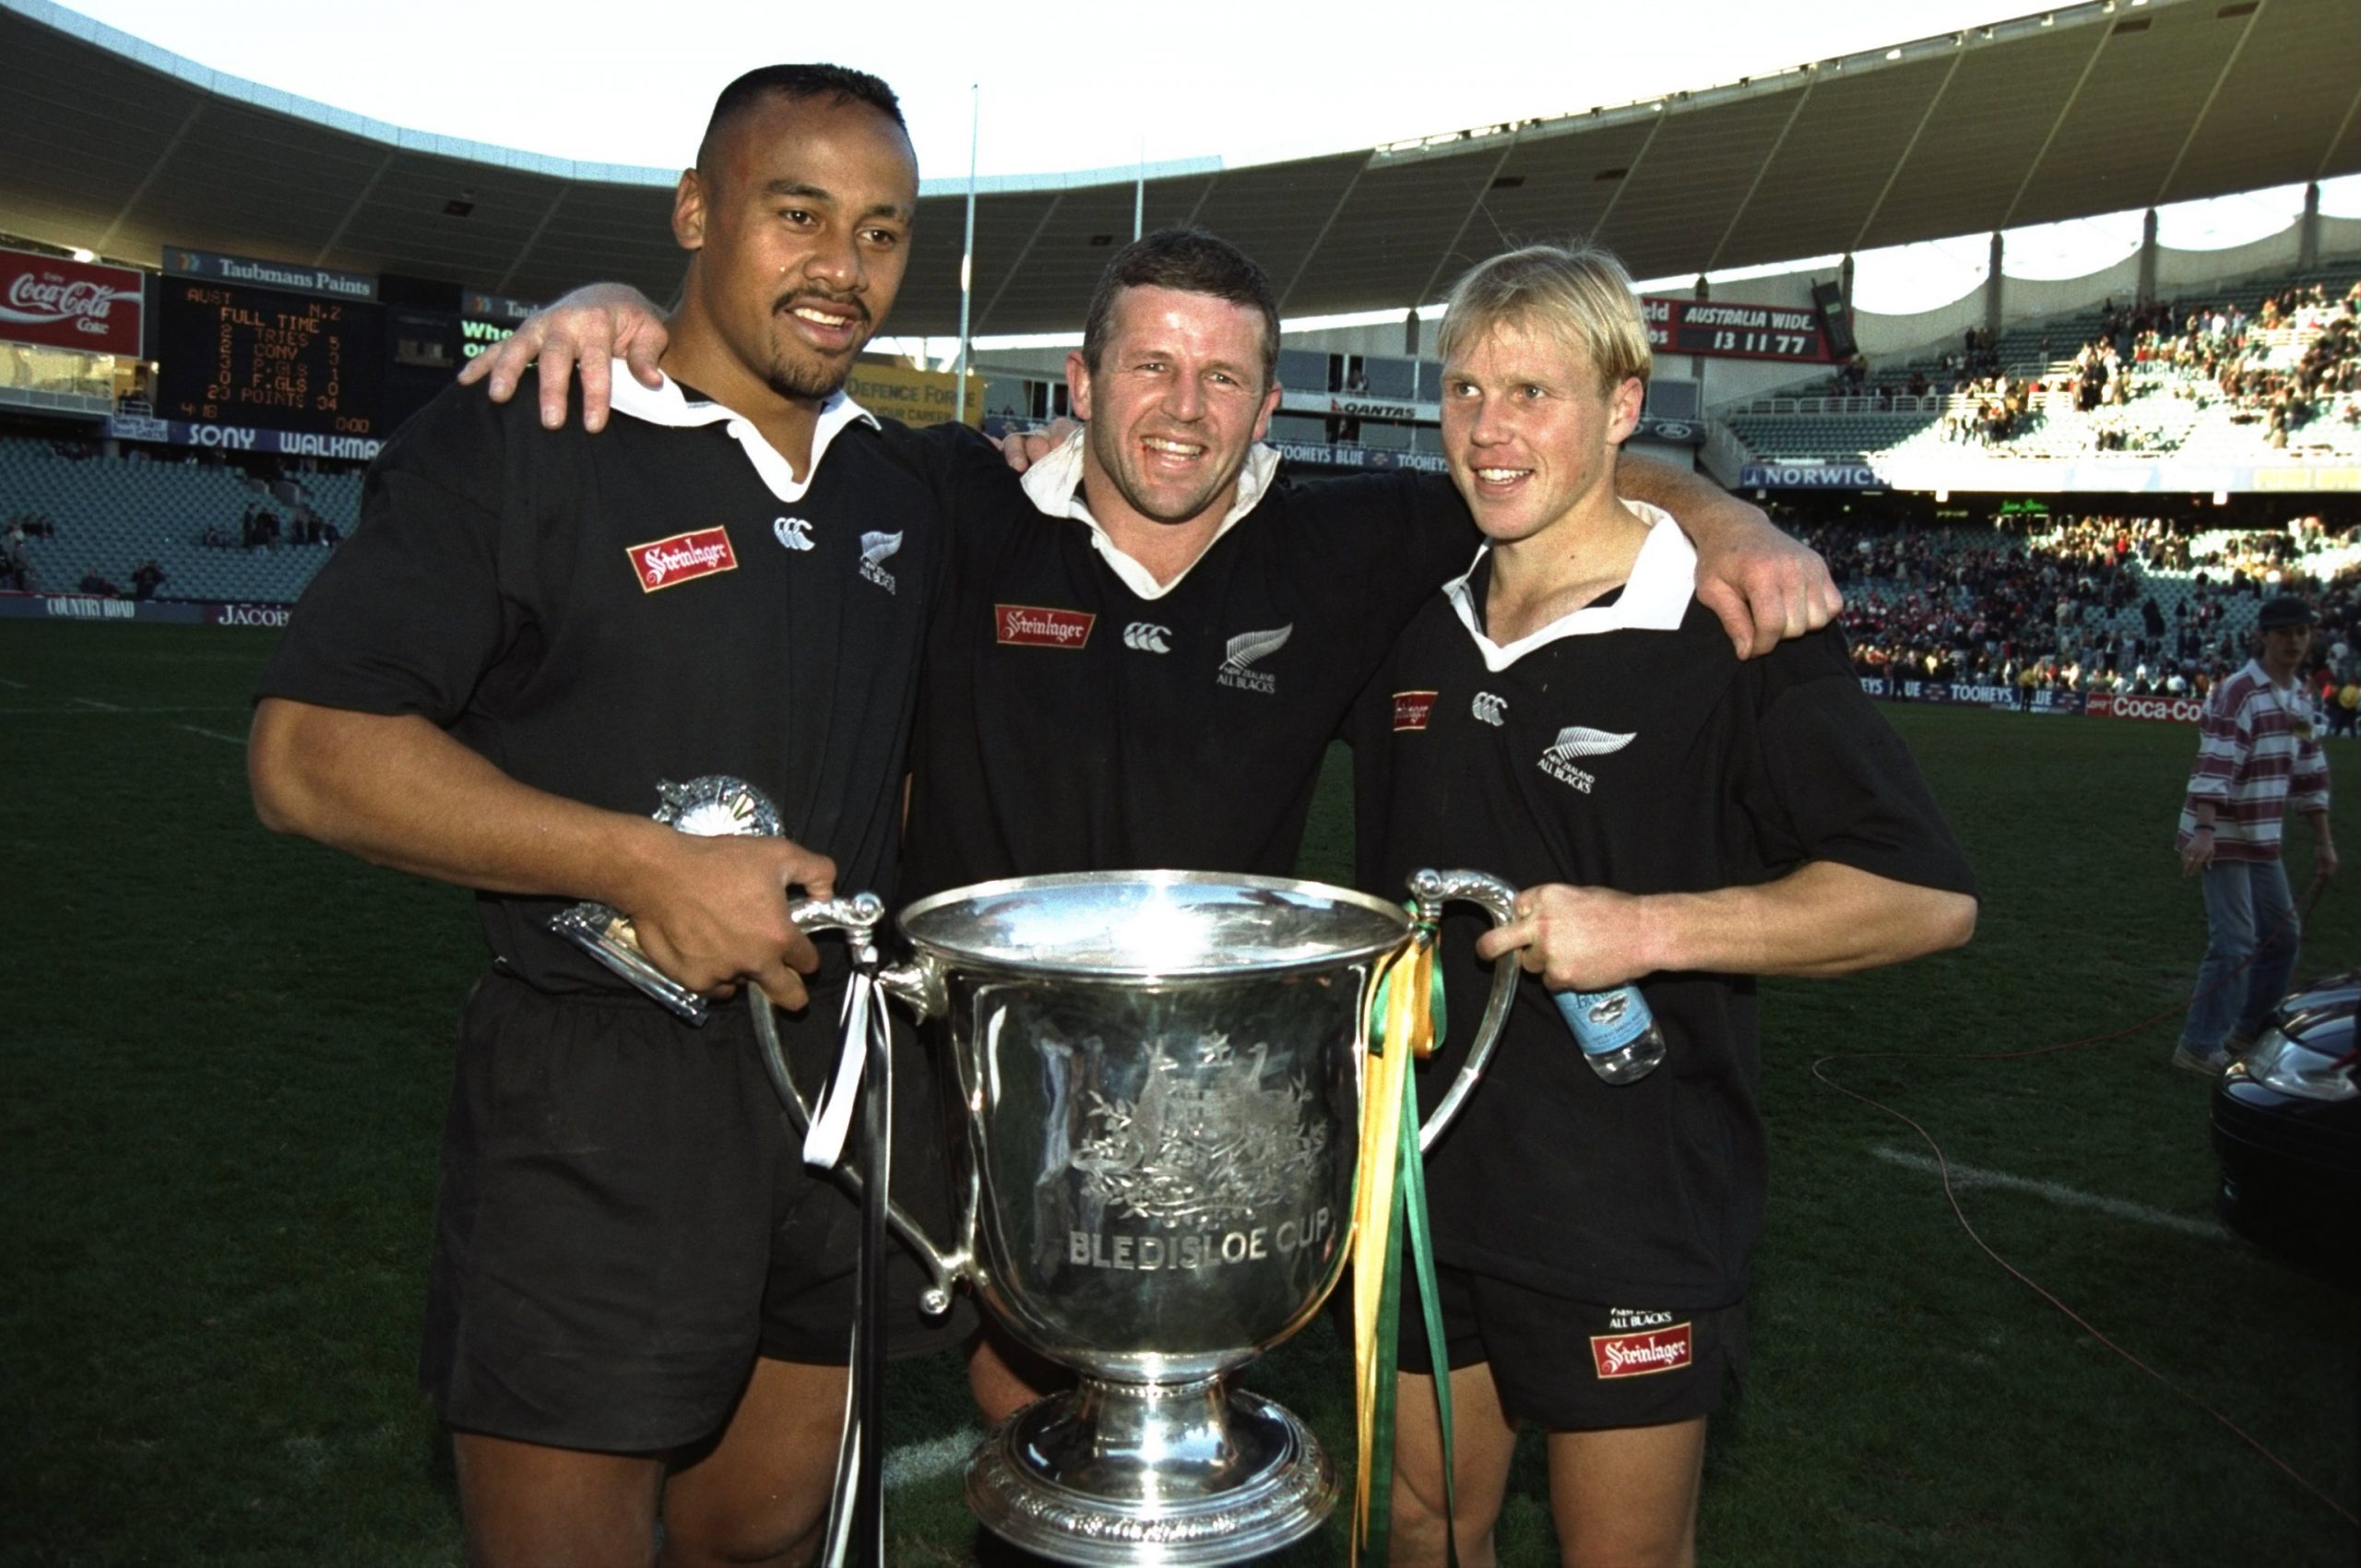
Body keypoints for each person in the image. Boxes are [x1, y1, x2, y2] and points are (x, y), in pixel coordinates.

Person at [463, 227, 1844, 1423]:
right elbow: (758, 400)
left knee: (1180, 1425)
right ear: (1077, 382)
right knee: (984, 1413)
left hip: (1212, 1110)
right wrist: (611, 307)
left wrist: (1719, 517)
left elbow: (1553, 470)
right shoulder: (956, 504)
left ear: (1268, 407)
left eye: (1223, 377)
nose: (1184, 408)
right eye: (1149, 366)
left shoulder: (1357, 543)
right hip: (974, 1090)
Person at [245, 65, 963, 1568]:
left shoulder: (910, 487)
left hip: (842, 1097)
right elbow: (308, 754)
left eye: (885, 232)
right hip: (597, 1100)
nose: (844, 269)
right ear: (696, 212)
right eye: (798, 214)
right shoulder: (527, 434)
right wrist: (642, 863)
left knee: (762, 1532)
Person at [1353, 244, 1976, 1566]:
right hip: (1419, 1182)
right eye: (1465, 390)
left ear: (1624, 409)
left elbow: (1924, 897)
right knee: (1423, 1524)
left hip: (1628, 1206)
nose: (1490, 428)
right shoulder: (1415, 623)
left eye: (1535, 392)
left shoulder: (1733, 629)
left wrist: (1647, 929)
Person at [2171, 595, 2337, 1075]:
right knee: (2236, 941)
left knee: (2282, 939)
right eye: (2284, 632)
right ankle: (2199, 1045)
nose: (2294, 641)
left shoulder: (2299, 698)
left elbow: (2311, 772)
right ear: (2263, 636)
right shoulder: (2238, 691)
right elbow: (2215, 763)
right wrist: (2204, 830)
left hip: (2262, 835)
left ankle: (2248, 1029)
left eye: (2301, 632)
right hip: (2221, 833)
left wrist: (2323, 842)